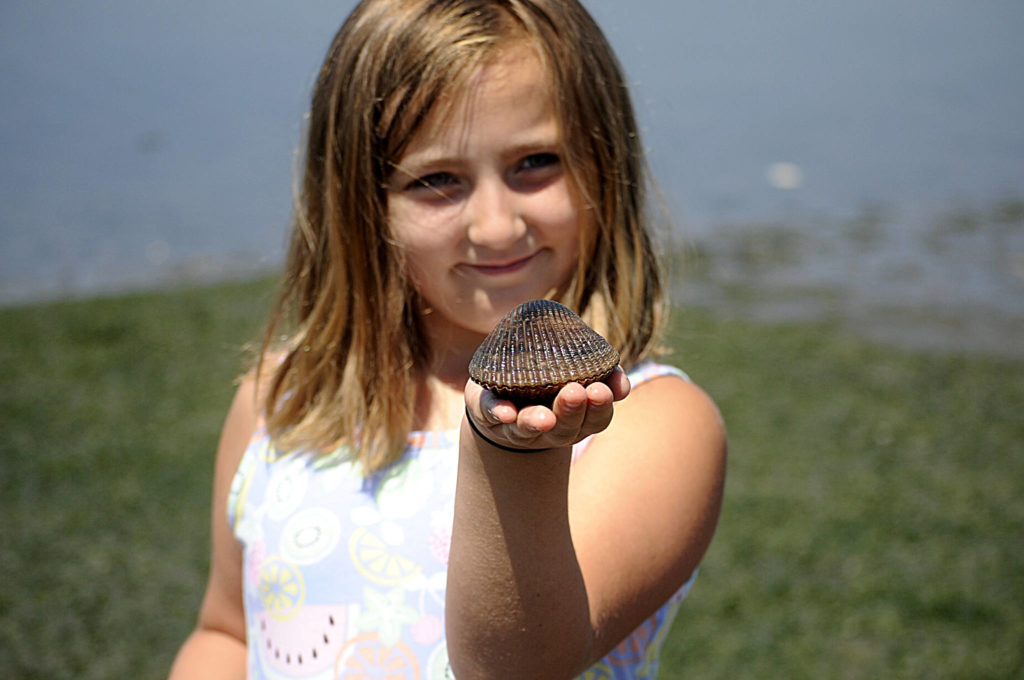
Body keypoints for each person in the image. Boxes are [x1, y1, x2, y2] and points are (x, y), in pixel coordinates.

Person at [169, 0, 726, 678]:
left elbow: (517, 667)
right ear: (362, 201)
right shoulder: (279, 403)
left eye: (536, 162)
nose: (496, 227)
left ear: (605, 169)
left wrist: (509, 452)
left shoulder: (650, 424)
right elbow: (226, 632)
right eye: (437, 180)